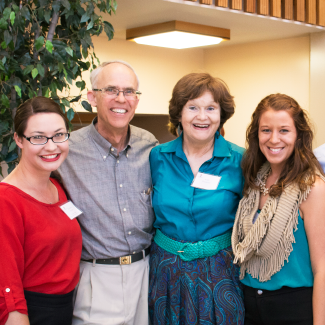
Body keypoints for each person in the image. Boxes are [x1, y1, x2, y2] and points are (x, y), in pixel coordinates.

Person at [58, 60, 158, 325]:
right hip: (96, 275)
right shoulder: (67, 151)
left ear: (136, 100)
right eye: (111, 90)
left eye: (129, 92)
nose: (121, 99)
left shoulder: (150, 146)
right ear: (92, 97)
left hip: (146, 273)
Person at [149, 73, 245, 325]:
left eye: (211, 108)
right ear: (179, 113)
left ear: (221, 115)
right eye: (192, 107)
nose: (202, 117)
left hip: (221, 269)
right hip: (166, 271)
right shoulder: (156, 157)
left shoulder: (242, 161)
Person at [232, 93, 325, 325]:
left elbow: (322, 268)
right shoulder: (253, 180)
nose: (274, 139)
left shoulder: (312, 187)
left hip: (294, 307)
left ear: (298, 136)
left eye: (284, 130)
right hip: (248, 303)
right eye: (266, 130)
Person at [0, 97, 82, 325]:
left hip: (66, 307)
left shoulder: (57, 185)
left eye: (59, 135)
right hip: (32, 312)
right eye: (38, 137)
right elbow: (9, 290)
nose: (51, 146)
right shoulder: (6, 200)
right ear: (18, 139)